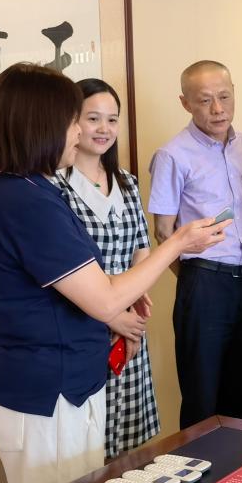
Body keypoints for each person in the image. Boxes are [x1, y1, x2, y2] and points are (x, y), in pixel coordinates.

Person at [0, 63, 229, 483]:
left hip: (67, 381)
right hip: (46, 394)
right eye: (74, 121)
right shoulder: (24, 200)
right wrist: (180, 242)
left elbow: (99, 282)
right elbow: (105, 297)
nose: (80, 132)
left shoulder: (31, 189)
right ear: (40, 125)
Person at [148, 60, 242, 429]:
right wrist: (195, 277)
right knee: (202, 397)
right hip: (204, 282)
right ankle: (196, 466)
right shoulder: (172, 155)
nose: (217, 109)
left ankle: (237, 464)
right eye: (204, 100)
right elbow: (163, 232)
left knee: (239, 389)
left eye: (224, 97)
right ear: (185, 103)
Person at [51, 78, 159, 459]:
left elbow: (142, 248)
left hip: (128, 326)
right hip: (85, 325)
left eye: (112, 120)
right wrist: (114, 315)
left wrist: (131, 309)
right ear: (72, 122)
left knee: (130, 453)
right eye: (93, 118)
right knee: (87, 452)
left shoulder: (126, 182)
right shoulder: (56, 187)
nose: (104, 129)